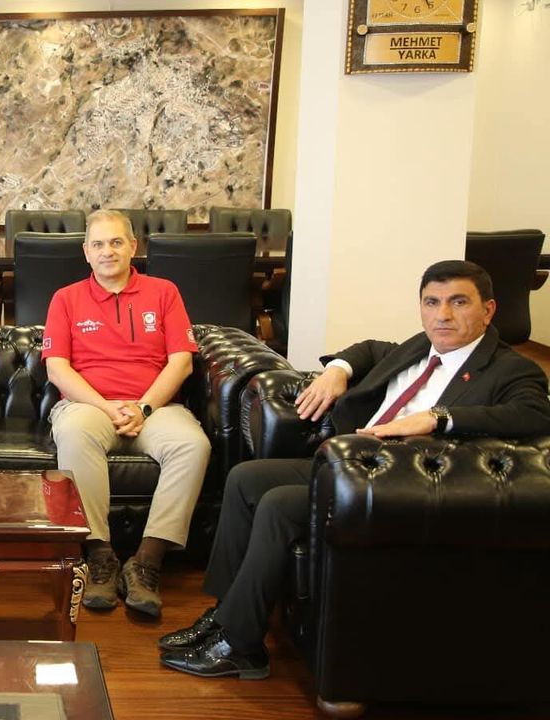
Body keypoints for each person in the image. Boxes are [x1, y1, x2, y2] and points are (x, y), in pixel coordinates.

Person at [160, 260, 550, 679]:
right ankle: (224, 614)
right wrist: (337, 370)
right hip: (352, 464)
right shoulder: (422, 346)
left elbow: (533, 414)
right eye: (432, 302)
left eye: (458, 302)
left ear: (488, 310)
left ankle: (241, 647)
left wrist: (437, 417)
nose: (443, 315)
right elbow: (369, 349)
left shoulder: (512, 369)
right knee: (244, 478)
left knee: (277, 504)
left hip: (398, 484)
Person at [42, 209, 212, 615]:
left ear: (133, 247)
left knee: (194, 445)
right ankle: (100, 556)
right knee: (74, 433)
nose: (108, 251)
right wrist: (105, 406)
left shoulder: (164, 292)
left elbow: (181, 363)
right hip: (89, 406)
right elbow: (57, 369)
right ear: (86, 252)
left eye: (116, 242)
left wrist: (143, 406)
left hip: (155, 407)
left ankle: (147, 561)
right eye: (98, 244)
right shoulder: (65, 298)